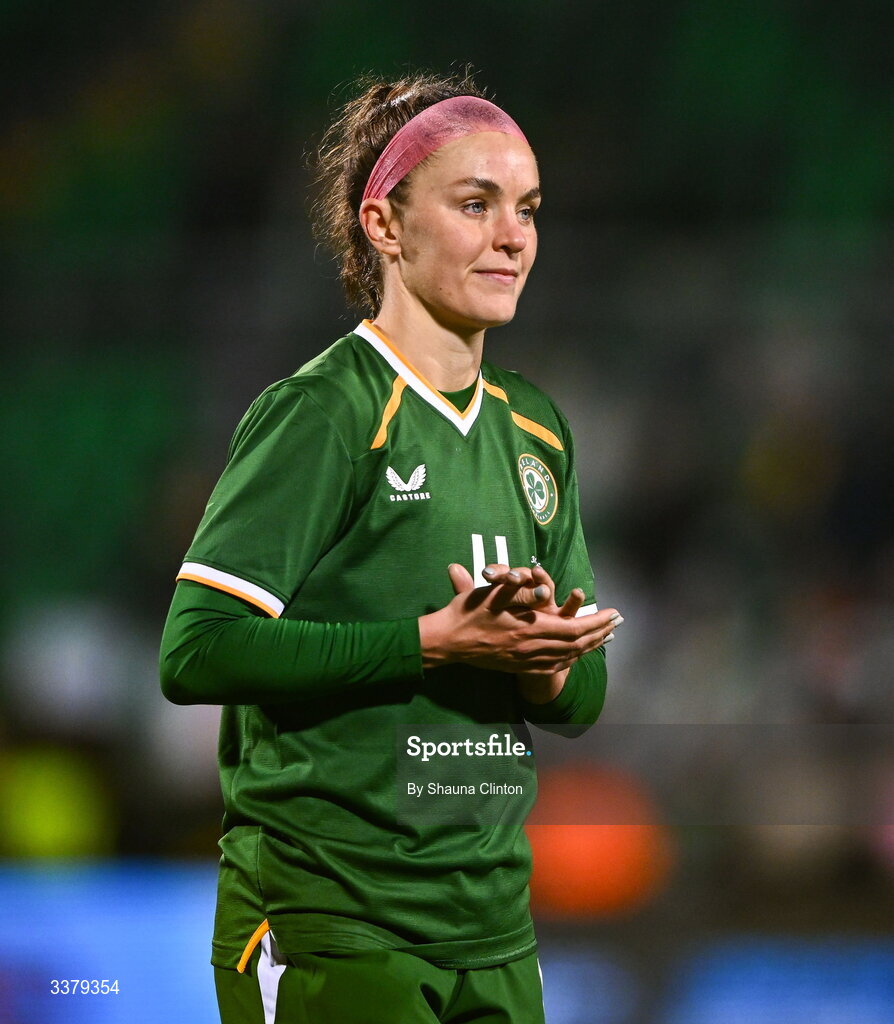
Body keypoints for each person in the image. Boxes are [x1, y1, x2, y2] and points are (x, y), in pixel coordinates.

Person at [160, 69, 623, 1024]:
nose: (513, 236)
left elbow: (582, 700)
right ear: (384, 226)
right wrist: (428, 644)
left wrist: (541, 660)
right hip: (335, 920)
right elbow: (195, 651)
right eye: (475, 204)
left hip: (495, 932)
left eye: (528, 209)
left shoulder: (535, 429)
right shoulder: (326, 412)